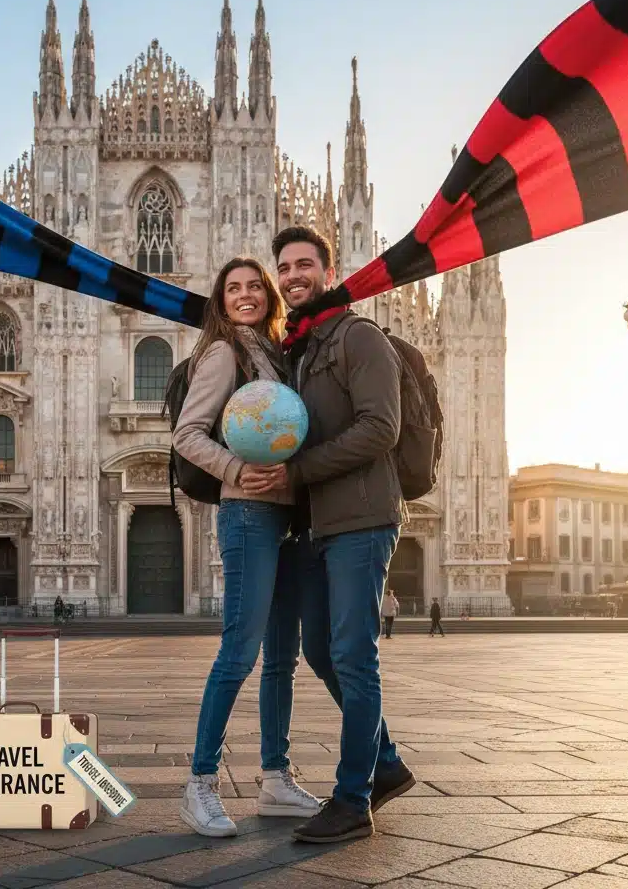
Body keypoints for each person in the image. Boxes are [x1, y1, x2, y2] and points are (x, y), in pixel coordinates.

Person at [242, 226, 415, 844]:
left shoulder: (358, 337)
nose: (292, 276)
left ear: (327, 268)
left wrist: (299, 470)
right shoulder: (304, 346)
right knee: (319, 648)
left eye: (304, 265)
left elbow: (381, 428)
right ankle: (387, 762)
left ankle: (352, 799)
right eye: (284, 267)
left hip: (364, 519)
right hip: (321, 523)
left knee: (352, 654)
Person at [174, 256, 320, 837]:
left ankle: (276, 779)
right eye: (233, 288)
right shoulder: (222, 352)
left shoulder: (278, 353)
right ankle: (200, 783)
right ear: (221, 299)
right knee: (240, 652)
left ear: (268, 294)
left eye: (254, 286)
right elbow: (187, 433)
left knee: (282, 659)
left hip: (287, 517)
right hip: (248, 516)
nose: (245, 295)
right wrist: (234, 466)